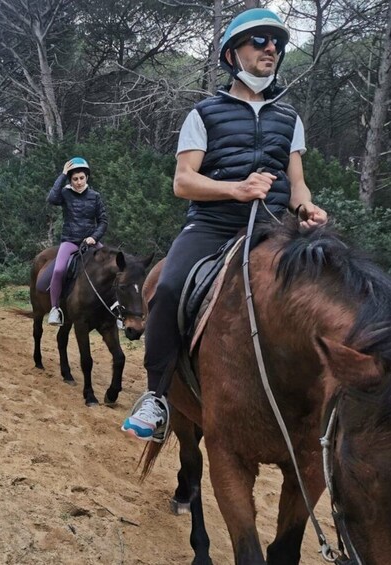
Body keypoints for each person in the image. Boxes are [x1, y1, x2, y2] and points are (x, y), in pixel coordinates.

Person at [120, 8, 328, 442]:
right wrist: (237, 189)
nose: (272, 49)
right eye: (261, 41)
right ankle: (156, 398)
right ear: (233, 54)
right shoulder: (204, 114)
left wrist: (308, 207)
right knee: (169, 289)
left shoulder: (289, 118)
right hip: (212, 226)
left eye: (277, 43)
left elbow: (297, 186)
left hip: (274, 229)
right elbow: (183, 181)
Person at [46, 157, 108, 326]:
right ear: (70, 179)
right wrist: (63, 174)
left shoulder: (95, 197)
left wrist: (94, 237)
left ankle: (115, 310)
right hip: (70, 241)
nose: (79, 182)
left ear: (86, 177)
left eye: (81, 178)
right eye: (75, 179)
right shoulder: (65, 194)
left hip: (91, 242)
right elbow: (52, 199)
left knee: (112, 268)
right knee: (58, 270)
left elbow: (103, 221)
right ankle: (54, 310)